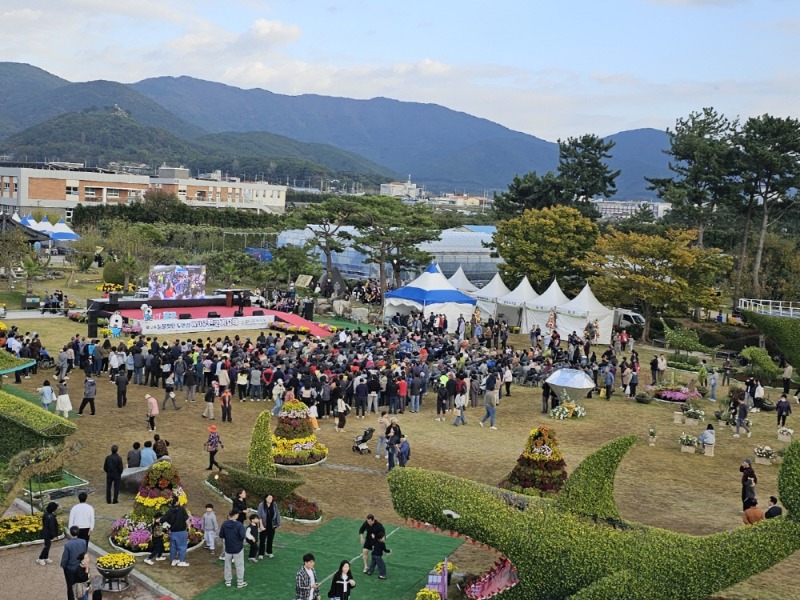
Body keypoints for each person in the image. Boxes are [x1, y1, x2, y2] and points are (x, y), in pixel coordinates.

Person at [219, 508, 248, 589]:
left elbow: (221, 535)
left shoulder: (224, 524)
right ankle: (240, 582)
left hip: (228, 548)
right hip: (238, 548)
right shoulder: (239, 525)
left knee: (227, 565)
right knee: (239, 566)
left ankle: (228, 581)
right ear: (236, 515)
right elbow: (242, 536)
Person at [61, 525, 87, 600]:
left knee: (70, 587)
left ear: (70, 533)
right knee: (80, 585)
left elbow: (65, 558)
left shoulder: (67, 544)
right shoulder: (83, 542)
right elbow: (84, 553)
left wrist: (63, 566)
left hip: (70, 569)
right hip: (80, 567)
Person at [164, 495, 190, 567]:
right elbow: (186, 519)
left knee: (173, 547)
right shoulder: (181, 509)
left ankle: (173, 560)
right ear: (177, 501)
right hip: (181, 531)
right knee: (182, 546)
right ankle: (181, 561)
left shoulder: (169, 511)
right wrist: (189, 527)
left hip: (173, 532)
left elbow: (163, 520)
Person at [256, 493, 282, 559]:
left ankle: (269, 552)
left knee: (270, 539)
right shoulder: (261, 505)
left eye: (271, 498)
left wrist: (279, 523)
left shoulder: (274, 504)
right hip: (264, 524)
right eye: (269, 498)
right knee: (262, 539)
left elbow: (277, 514)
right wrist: (261, 525)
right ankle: (261, 553)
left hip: (272, 525)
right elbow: (259, 516)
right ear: (265, 498)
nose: (270, 499)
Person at [36, 501, 60, 566]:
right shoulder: (51, 517)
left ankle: (46, 557)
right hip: (48, 534)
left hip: (45, 532)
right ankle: (40, 558)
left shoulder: (46, 514)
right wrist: (54, 535)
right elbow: (51, 527)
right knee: (47, 546)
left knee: (48, 546)